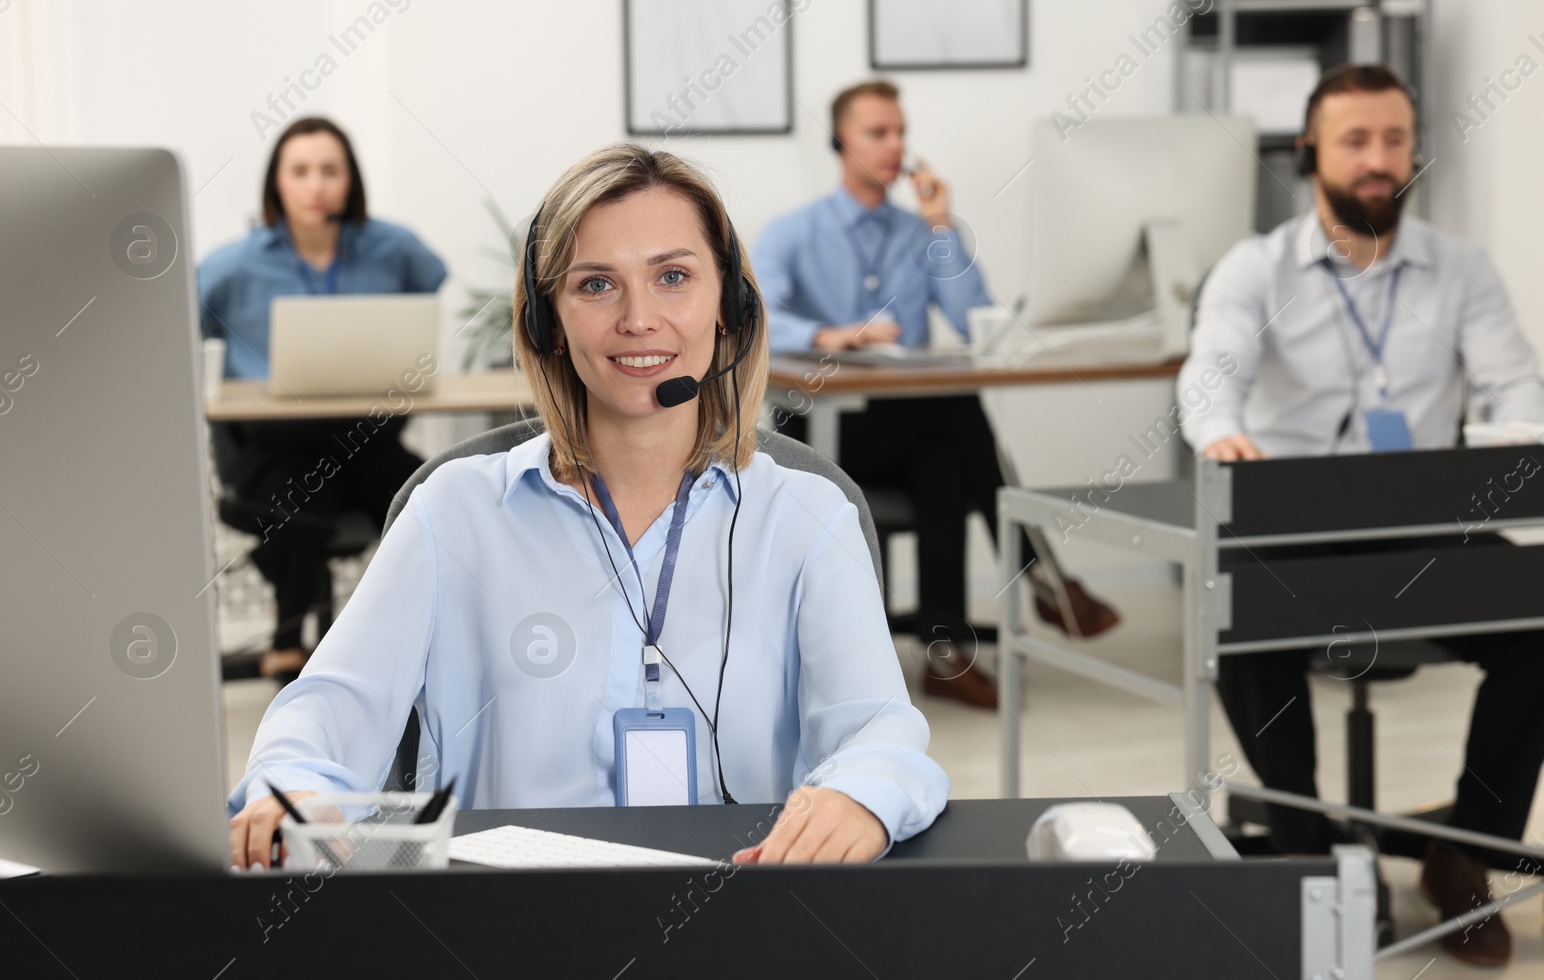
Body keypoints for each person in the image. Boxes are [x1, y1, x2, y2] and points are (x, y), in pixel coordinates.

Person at [227, 143, 949, 870]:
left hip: (735, 920)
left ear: (731, 306)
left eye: (673, 276)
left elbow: (881, 732)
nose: (640, 318)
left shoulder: (805, 515)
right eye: (597, 284)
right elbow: (325, 709)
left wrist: (861, 794)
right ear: (548, 320)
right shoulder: (457, 511)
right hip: (507, 927)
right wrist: (291, 788)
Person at [1179, 63, 1544, 966]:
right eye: (1355, 140)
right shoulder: (1255, 267)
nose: (1379, 160)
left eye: (1393, 139)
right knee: (1236, 593)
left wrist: (1516, 438)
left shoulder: (1460, 269)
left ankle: (1466, 851)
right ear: (1312, 153)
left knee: (1540, 615)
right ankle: (1307, 846)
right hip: (1293, 522)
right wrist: (1220, 433)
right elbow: (1211, 366)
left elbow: (1513, 383)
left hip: (1421, 521)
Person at [753, 79, 1119, 710]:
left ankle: (947, 652)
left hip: (913, 428)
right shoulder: (793, 232)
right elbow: (752, 318)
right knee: (957, 415)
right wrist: (827, 333)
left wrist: (942, 225)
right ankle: (1041, 582)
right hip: (822, 425)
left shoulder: (922, 230)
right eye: (878, 132)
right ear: (840, 141)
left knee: (944, 459)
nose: (896, 145)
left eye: (901, 132)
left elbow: (976, 313)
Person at [199, 117, 447, 683]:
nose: (317, 186)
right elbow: (178, 318)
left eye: (330, 171)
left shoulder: (393, 248)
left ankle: (418, 636)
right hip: (271, 443)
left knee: (432, 494)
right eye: (301, 171)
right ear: (276, 185)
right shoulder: (231, 266)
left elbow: (429, 287)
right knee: (302, 500)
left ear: (351, 181)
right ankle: (291, 641)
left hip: (365, 435)